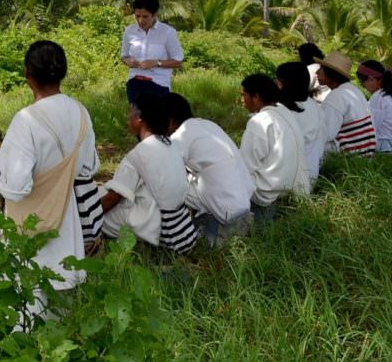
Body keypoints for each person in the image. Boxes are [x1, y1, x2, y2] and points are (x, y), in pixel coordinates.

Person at [0, 41, 100, 289]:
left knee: (28, 295)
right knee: (63, 285)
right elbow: (88, 168)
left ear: (27, 74)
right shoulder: (81, 112)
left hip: (30, 220)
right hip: (67, 215)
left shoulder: (26, 120)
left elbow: (16, 186)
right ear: (62, 72)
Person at [99, 93, 198, 254]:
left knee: (96, 210)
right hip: (179, 224)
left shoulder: (138, 155)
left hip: (155, 227)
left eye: (129, 113)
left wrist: (88, 217)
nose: (127, 118)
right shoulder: (170, 144)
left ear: (139, 118)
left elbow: (113, 198)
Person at [165, 92, 254, 246]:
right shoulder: (207, 125)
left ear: (171, 121)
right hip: (242, 203)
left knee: (164, 186)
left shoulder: (181, 136)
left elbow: (162, 170)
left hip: (225, 213)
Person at [239, 74, 311, 222]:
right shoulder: (284, 111)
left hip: (268, 196)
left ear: (256, 97)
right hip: (296, 190)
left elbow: (245, 167)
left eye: (243, 95)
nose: (241, 100)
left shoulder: (259, 122)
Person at [120, 0, 184, 103]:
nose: (140, 21)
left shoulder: (168, 32)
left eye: (145, 16)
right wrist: (129, 61)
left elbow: (178, 61)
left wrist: (156, 63)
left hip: (158, 84)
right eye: (137, 16)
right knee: (138, 119)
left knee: (156, 119)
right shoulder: (129, 31)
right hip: (134, 83)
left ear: (154, 15)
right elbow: (124, 56)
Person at [315, 51, 376, 158]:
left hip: (350, 154)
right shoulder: (352, 90)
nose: (317, 72)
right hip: (366, 151)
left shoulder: (336, 96)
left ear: (331, 74)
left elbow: (326, 134)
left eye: (321, 69)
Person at [275, 62, 328, 181]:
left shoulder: (279, 111)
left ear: (280, 83)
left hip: (285, 182)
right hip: (311, 176)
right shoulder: (316, 107)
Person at [357, 60, 392, 153]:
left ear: (371, 79)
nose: (364, 87)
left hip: (381, 147)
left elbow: (368, 130)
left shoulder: (378, 97)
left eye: (362, 83)